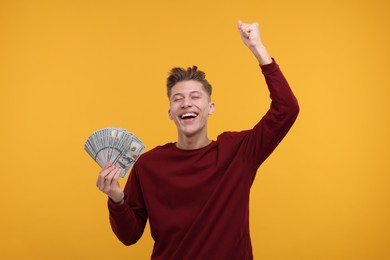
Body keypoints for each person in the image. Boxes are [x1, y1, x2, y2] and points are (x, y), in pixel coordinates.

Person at [96, 20, 299, 259]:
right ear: (170, 112)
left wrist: (257, 47)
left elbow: (287, 109)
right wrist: (116, 199)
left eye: (195, 96)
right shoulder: (148, 165)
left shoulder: (239, 152)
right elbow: (129, 237)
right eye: (178, 99)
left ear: (210, 107)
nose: (186, 103)